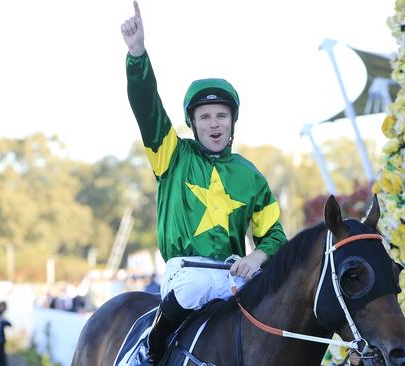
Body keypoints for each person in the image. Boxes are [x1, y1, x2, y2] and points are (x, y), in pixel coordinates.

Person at [120, 2, 287, 364]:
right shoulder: (172, 155)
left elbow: (274, 233)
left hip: (232, 275)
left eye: (221, 116)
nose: (214, 124)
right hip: (187, 275)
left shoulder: (250, 174)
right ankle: (150, 347)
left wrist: (257, 256)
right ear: (193, 124)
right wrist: (137, 55)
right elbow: (147, 109)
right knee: (194, 287)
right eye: (205, 116)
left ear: (232, 122)